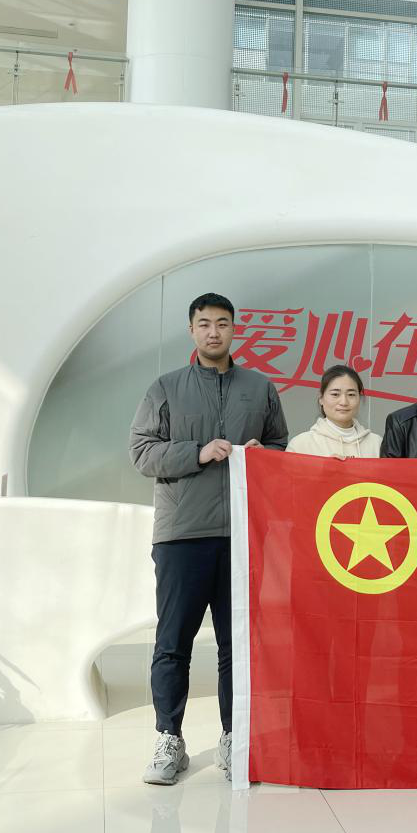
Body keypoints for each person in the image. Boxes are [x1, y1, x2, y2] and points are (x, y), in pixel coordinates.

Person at [129, 292, 288, 785]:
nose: (213, 332)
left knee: (235, 644)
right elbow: (142, 453)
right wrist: (197, 453)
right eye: (204, 324)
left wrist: (262, 454)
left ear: (234, 329)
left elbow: (280, 445)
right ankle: (168, 739)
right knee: (172, 642)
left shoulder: (259, 388)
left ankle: (233, 737)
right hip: (181, 534)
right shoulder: (165, 388)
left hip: (242, 533)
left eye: (222, 323)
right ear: (192, 330)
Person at [287, 365, 382, 458]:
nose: (344, 402)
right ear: (321, 398)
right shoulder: (300, 446)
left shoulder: (377, 444)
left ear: (359, 398)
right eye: (335, 394)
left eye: (351, 394)